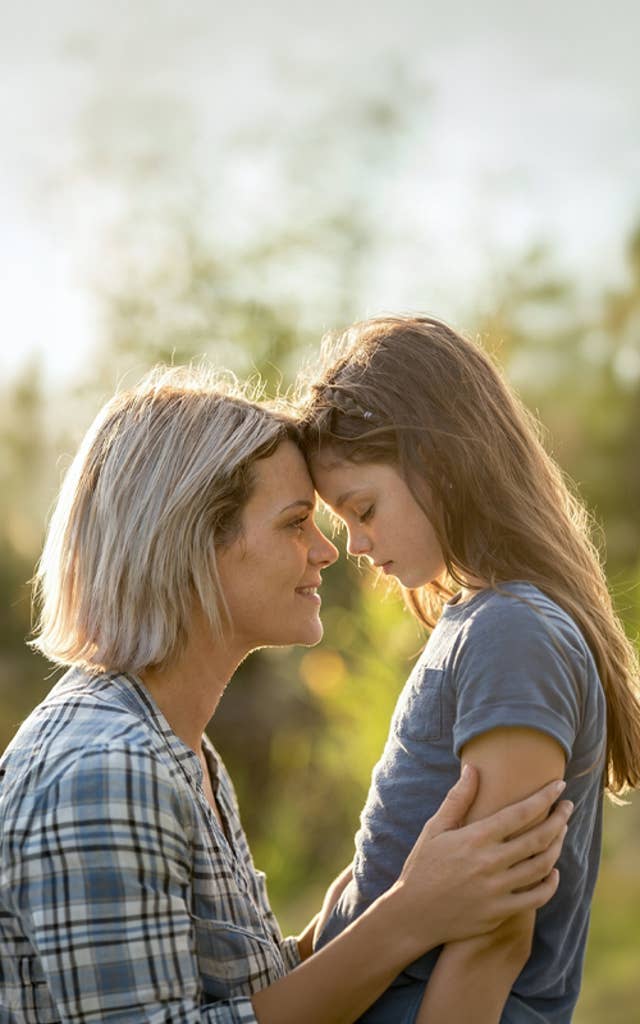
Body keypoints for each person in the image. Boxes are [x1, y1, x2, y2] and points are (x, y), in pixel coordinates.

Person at [0, 366, 571, 1024]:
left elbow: (236, 997)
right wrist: (406, 918)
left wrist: (371, 904)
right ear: (191, 545)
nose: (328, 550)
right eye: (295, 523)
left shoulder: (176, 751)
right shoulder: (104, 771)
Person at [297, 314, 640, 1024]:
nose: (356, 545)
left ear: (441, 461)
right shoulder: (476, 623)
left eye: (364, 509)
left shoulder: (512, 633)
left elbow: (493, 939)